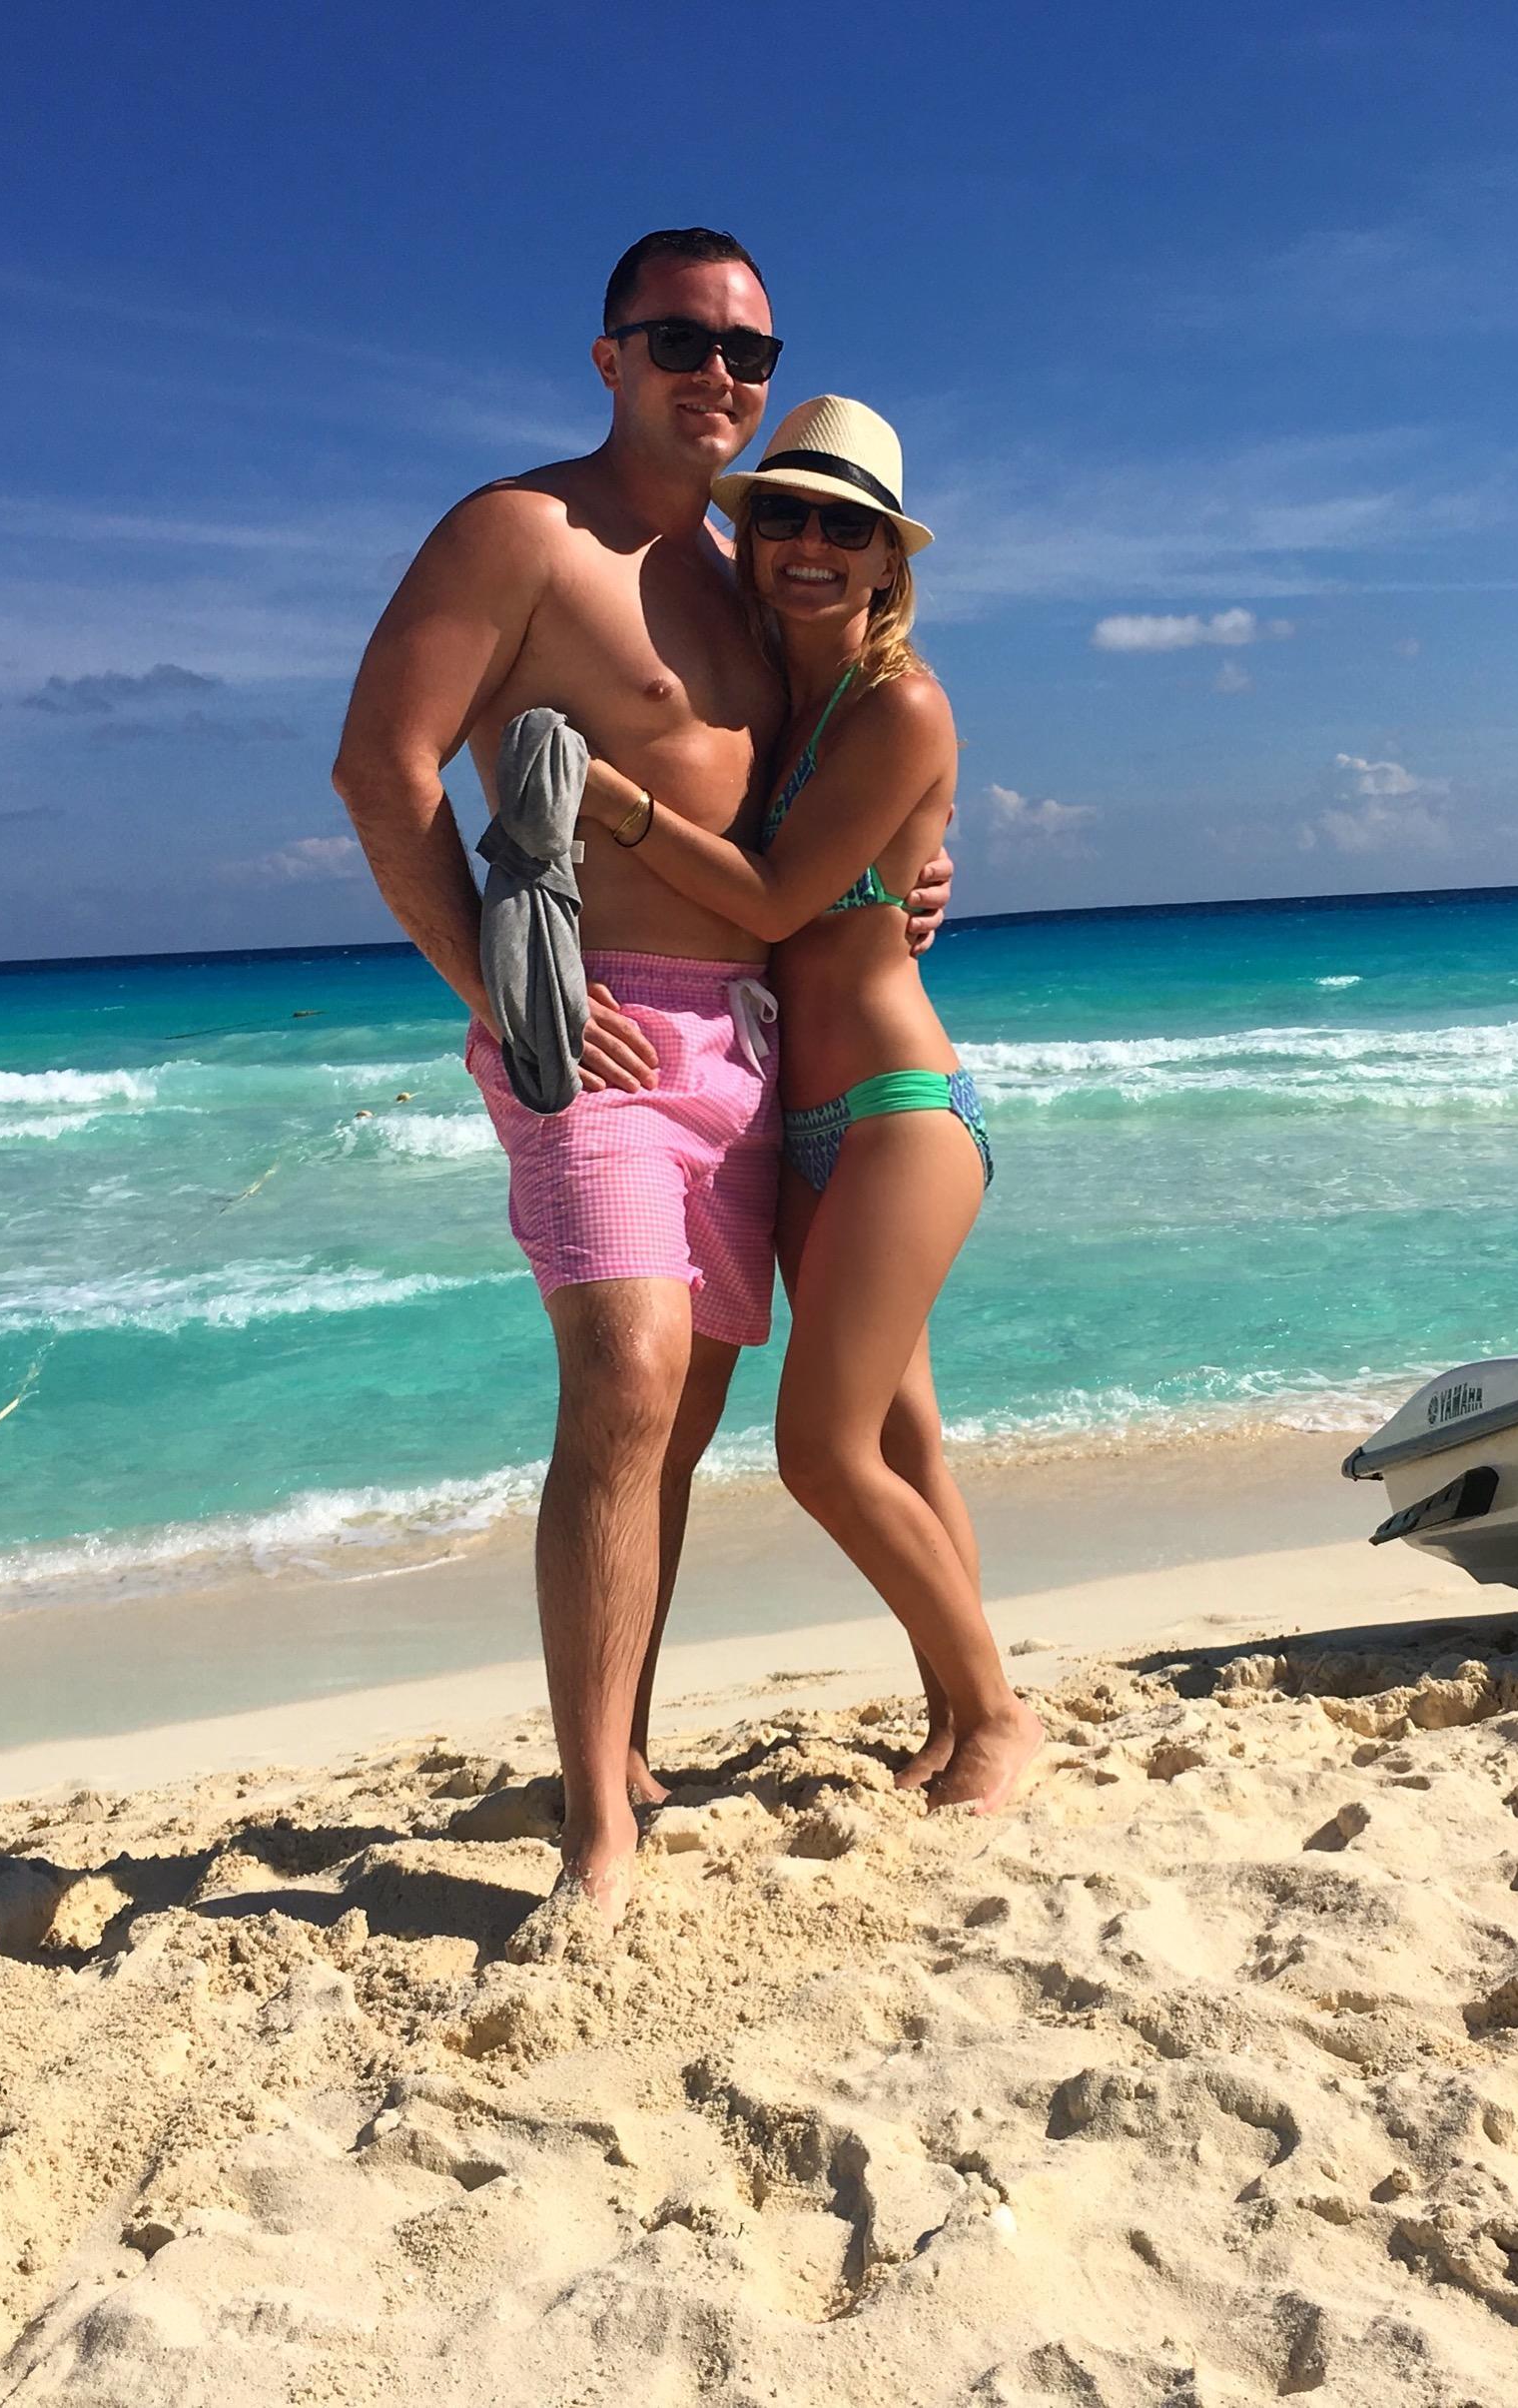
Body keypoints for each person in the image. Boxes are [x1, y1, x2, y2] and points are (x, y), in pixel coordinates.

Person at [330, 232, 952, 1938]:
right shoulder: (520, 533)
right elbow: (382, 767)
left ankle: (630, 1752)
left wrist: (917, 871)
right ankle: (597, 1829)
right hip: (585, 1030)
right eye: (681, 340)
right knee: (626, 1373)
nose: (719, 375)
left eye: (748, 351)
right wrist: (504, 988)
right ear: (609, 355)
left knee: (676, 1429)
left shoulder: (752, 579)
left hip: (749, 1044)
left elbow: (835, 782)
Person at [572, 397, 1043, 1816]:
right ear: (751, 536)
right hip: (798, 1118)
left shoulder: (902, 703)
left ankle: (999, 1715)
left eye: (849, 525)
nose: (811, 544)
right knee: (902, 1440)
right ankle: (951, 1722)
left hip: (901, 1109)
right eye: (783, 515)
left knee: (822, 1452)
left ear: (892, 561)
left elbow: (779, 900)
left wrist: (614, 804)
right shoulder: (775, 708)